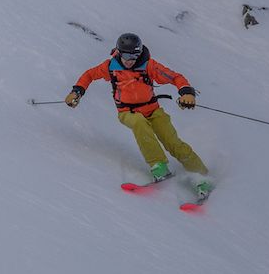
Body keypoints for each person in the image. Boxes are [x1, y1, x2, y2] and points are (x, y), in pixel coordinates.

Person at [65, 33, 211, 197]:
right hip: (127, 111)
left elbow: (175, 77)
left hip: (153, 110)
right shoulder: (111, 67)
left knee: (173, 142)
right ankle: (159, 166)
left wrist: (186, 92)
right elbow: (89, 75)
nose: (130, 60)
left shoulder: (148, 65)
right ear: (119, 53)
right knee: (139, 123)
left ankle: (203, 177)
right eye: (126, 55)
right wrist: (77, 91)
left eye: (134, 55)